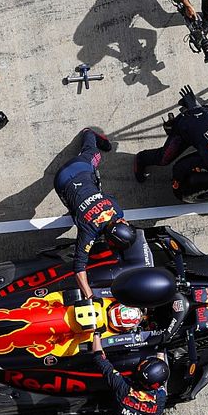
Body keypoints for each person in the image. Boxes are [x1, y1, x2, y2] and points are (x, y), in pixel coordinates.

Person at [52, 128, 134, 300]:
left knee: (94, 153)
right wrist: (89, 296)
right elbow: (79, 268)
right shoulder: (88, 232)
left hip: (81, 167)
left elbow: (119, 215)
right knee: (75, 211)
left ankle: (89, 133)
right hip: (61, 181)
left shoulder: (116, 209)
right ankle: (89, 132)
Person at [91, 333, 176, 415]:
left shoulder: (122, 386)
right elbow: (162, 383)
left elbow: (99, 359)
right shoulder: (160, 397)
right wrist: (161, 349)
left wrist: (96, 334)